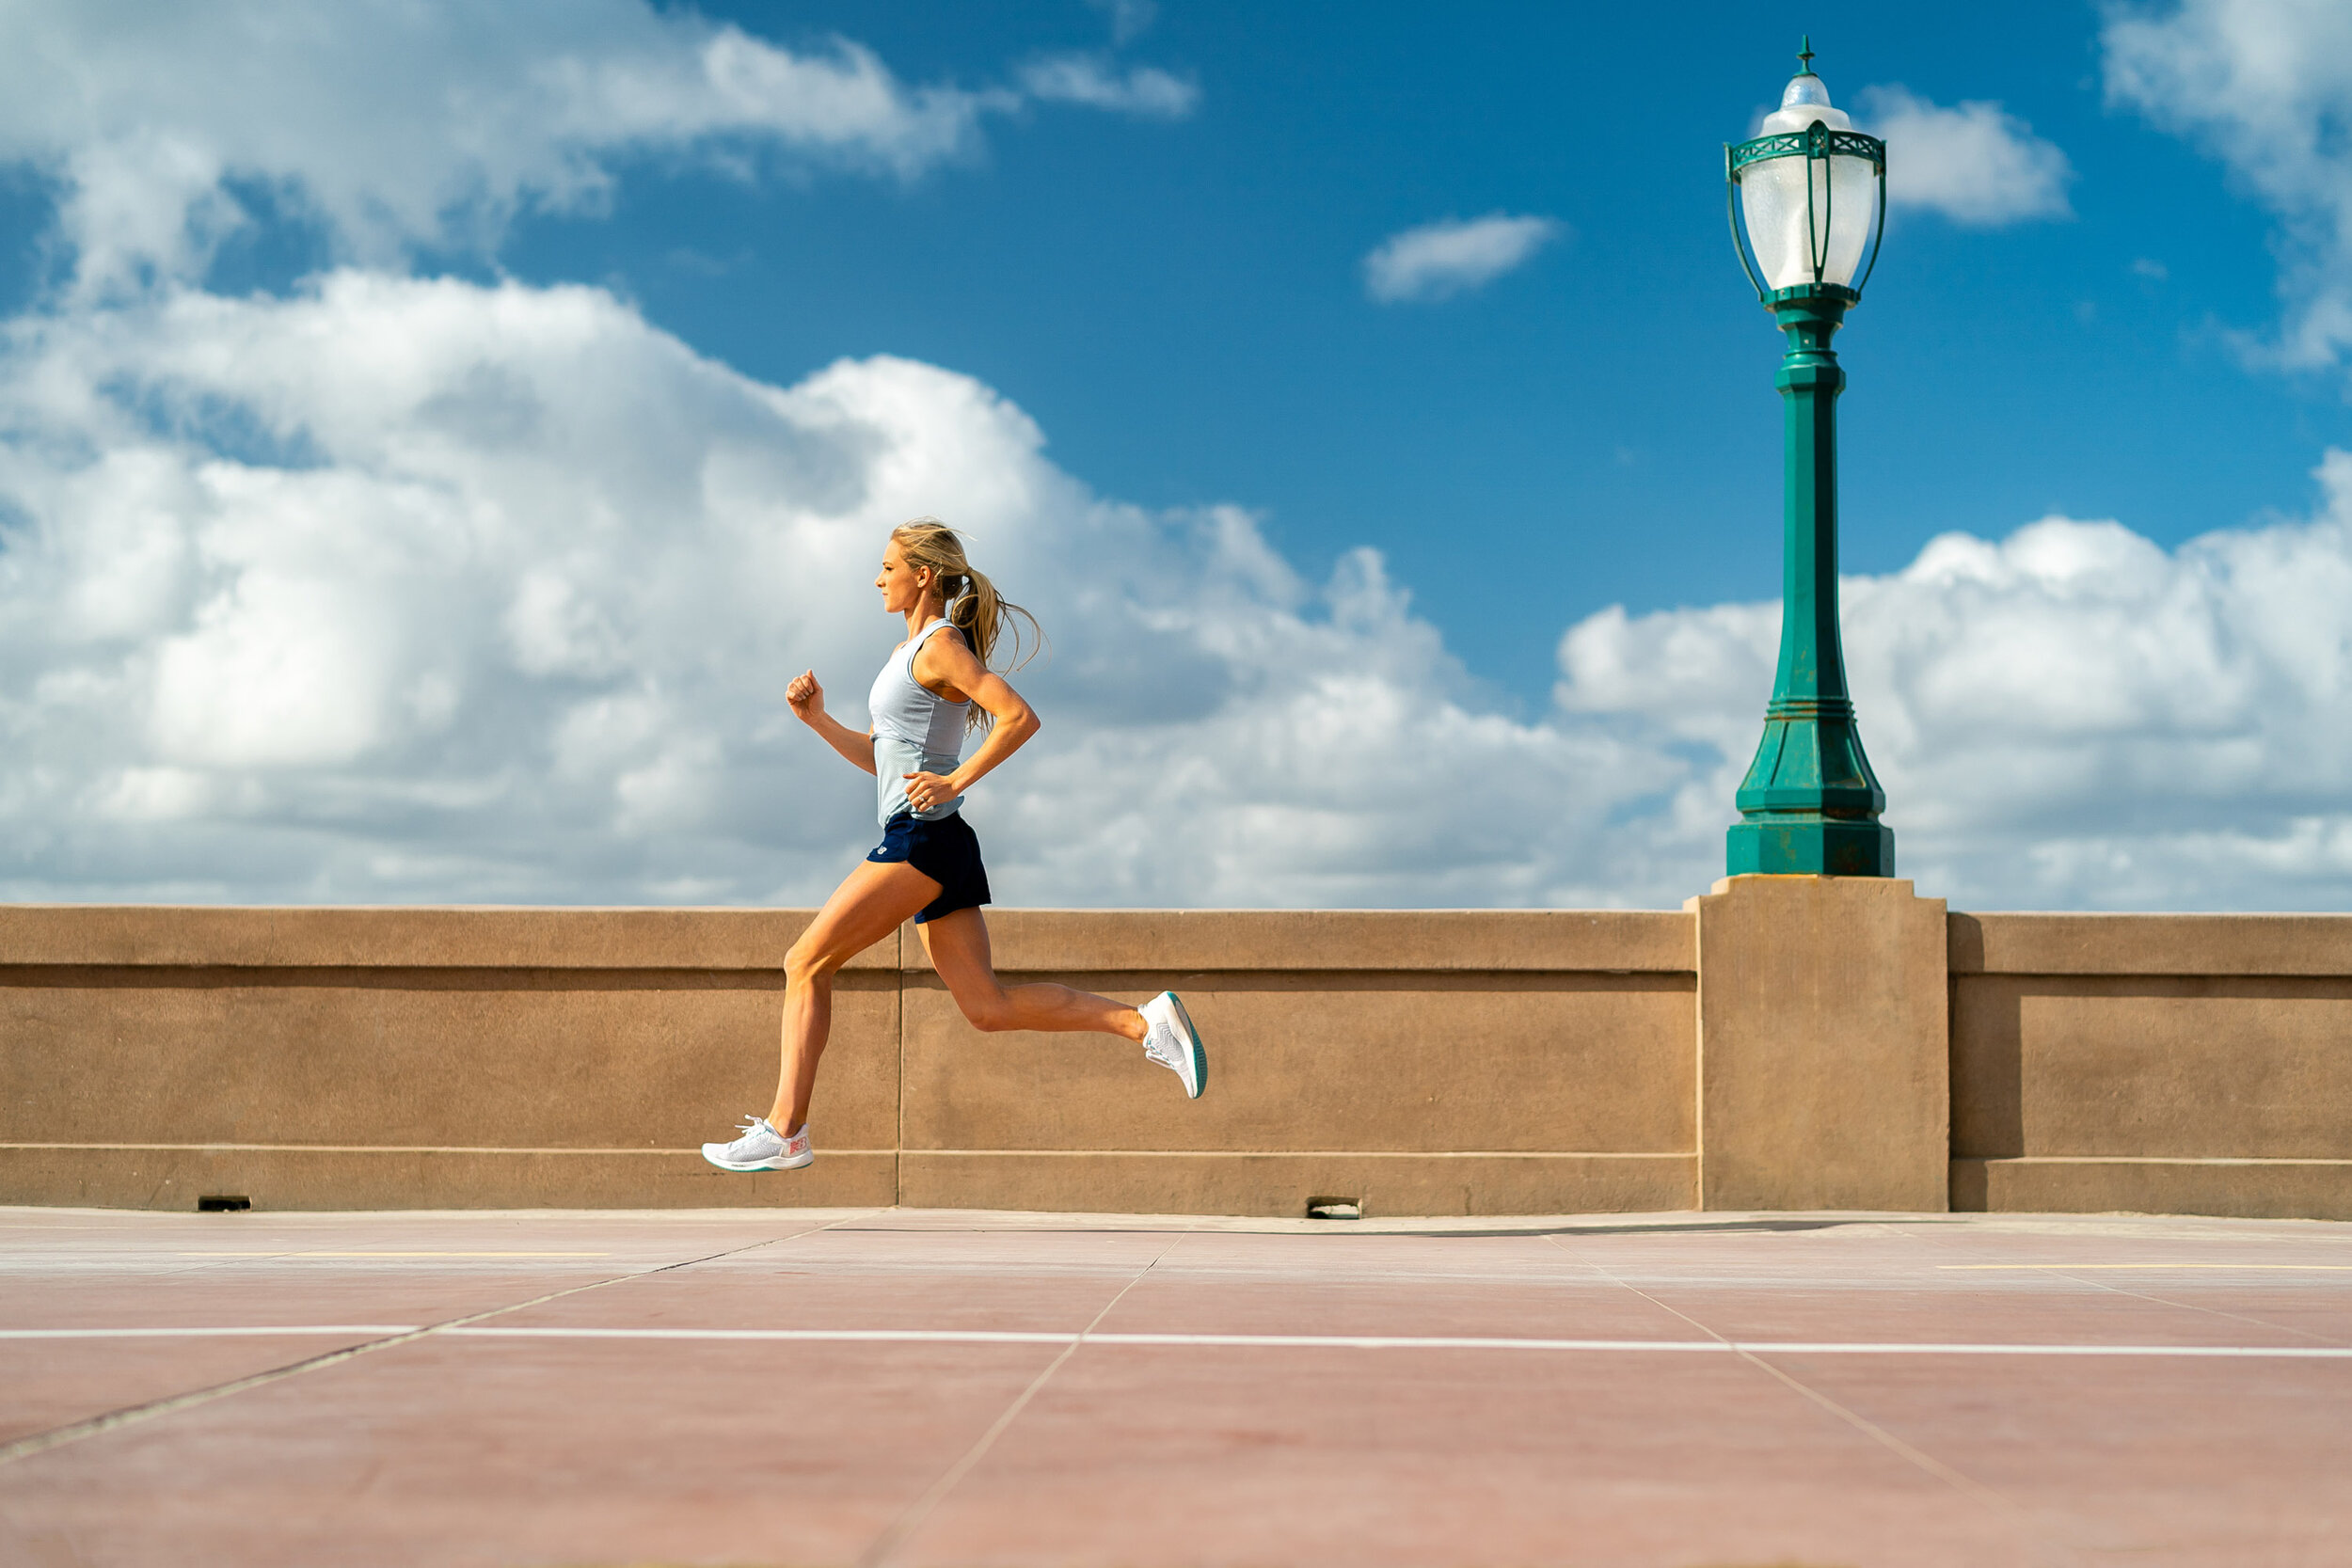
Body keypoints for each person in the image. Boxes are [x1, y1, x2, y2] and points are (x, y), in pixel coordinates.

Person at [702, 517, 1206, 1173]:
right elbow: (886, 760)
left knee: (805, 962)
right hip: (934, 839)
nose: (878, 577)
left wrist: (955, 780)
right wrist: (819, 720)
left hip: (924, 839)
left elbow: (1018, 716)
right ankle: (1146, 1023)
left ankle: (786, 1129)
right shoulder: (903, 655)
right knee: (988, 1007)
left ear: (923, 575)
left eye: (888, 566)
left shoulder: (939, 646)